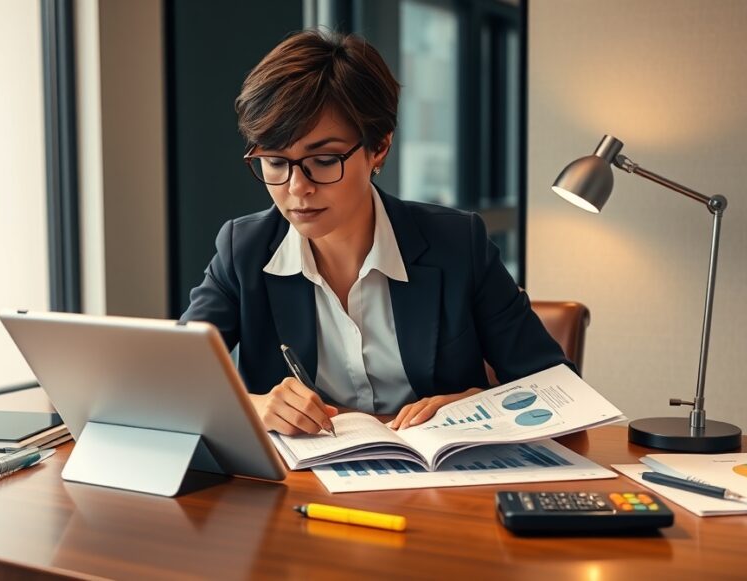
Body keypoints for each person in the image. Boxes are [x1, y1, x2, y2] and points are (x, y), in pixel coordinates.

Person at [180, 30, 572, 436]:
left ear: (379, 148)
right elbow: (170, 377)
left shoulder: (459, 244)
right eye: (275, 162)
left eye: (324, 159)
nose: (297, 188)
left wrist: (483, 405)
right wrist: (254, 405)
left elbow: (559, 388)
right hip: (301, 489)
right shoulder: (243, 250)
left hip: (440, 486)